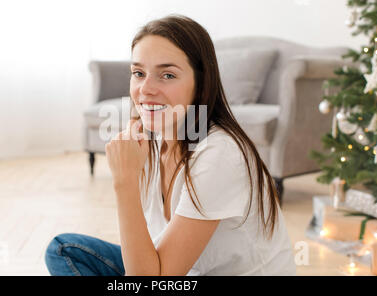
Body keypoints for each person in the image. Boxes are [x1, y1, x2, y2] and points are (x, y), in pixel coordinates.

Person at [44, 14, 296, 276]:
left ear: (200, 85)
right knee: (63, 249)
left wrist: (125, 182)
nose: (146, 89)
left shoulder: (218, 154)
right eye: (138, 73)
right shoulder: (150, 142)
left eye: (167, 75)